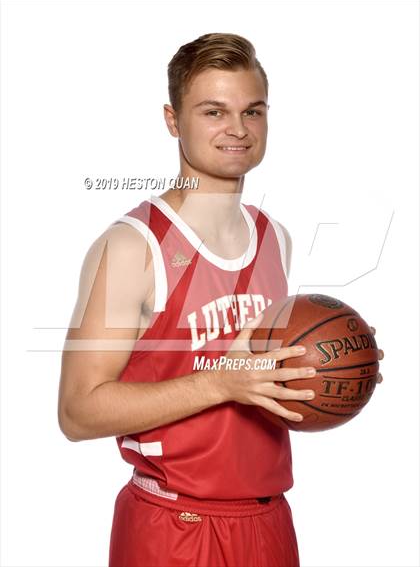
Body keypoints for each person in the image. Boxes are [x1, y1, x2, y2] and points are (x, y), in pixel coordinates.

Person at [58, 32, 384, 567]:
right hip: (172, 525)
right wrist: (221, 382)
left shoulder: (274, 236)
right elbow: (78, 412)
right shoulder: (133, 246)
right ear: (172, 120)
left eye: (252, 111)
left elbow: (271, 379)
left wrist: (336, 369)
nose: (237, 129)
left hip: (269, 520)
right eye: (214, 111)